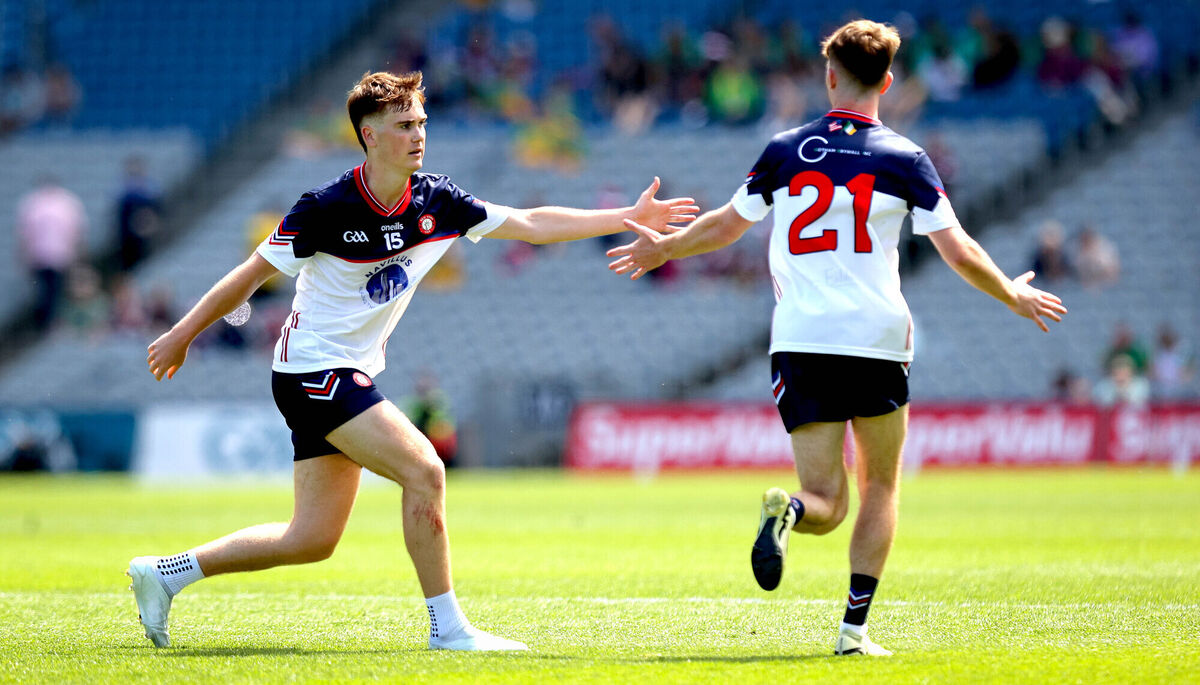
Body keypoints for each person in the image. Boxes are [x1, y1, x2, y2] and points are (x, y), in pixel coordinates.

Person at [131, 70, 697, 651]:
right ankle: (448, 629)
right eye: (404, 125)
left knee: (311, 539)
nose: (418, 134)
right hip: (312, 371)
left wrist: (627, 216)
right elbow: (249, 278)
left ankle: (164, 574)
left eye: (421, 122)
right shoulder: (324, 208)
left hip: (335, 372)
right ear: (369, 135)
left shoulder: (439, 200)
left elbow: (531, 225)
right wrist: (182, 333)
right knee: (425, 470)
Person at [607, 20, 1066, 656]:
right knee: (879, 486)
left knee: (824, 497)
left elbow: (724, 227)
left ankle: (789, 512)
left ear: (828, 76)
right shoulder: (905, 158)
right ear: (888, 80)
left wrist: (667, 250)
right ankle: (853, 633)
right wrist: (1011, 293)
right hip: (876, 336)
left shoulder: (785, 149)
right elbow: (956, 251)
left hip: (800, 337)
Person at [16, 175, 87, 330]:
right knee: (53, 291)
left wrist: (24, 255)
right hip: (55, 256)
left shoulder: (33, 203)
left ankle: (48, 322)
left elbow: (24, 235)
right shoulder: (67, 203)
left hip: (44, 256)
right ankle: (49, 322)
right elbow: (77, 233)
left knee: (47, 290)